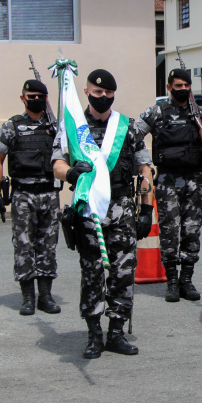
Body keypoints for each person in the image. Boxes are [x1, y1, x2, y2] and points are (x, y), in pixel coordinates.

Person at [52, 69, 154, 358]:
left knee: (124, 271)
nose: (104, 97)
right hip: (88, 209)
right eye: (98, 92)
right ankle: (94, 333)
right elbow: (57, 164)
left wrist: (146, 209)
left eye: (109, 93)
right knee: (92, 272)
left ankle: (116, 332)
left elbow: (145, 169)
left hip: (121, 207)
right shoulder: (73, 126)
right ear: (86, 92)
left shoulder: (127, 127)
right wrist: (71, 173)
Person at [137, 69, 202, 303]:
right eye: (178, 85)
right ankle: (172, 281)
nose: (183, 89)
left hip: (195, 180)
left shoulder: (200, 113)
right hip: (168, 181)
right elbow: (132, 137)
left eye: (186, 85)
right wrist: (143, 163)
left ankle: (186, 279)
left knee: (192, 230)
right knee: (170, 231)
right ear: (169, 87)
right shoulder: (156, 112)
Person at [0, 79, 61, 316]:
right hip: (23, 194)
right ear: (23, 98)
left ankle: (46, 296)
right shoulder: (12, 126)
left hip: (49, 193)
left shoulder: (55, 127)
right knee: (23, 246)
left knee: (48, 246)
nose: (36, 100)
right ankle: (28, 297)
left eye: (41, 96)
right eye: (31, 96)